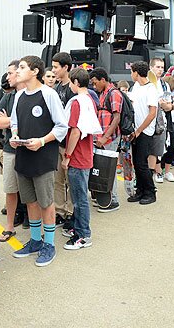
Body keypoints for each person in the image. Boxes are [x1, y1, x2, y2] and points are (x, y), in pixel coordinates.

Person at [11, 55, 68, 267]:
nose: (17, 71)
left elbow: (62, 126)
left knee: (46, 202)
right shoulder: (19, 96)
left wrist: (42, 141)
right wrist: (15, 136)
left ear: (35, 71)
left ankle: (49, 244)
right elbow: (15, 123)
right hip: (23, 155)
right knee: (30, 201)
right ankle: (35, 240)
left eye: (22, 67)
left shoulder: (48, 94)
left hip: (43, 156)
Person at [61, 68, 101, 249]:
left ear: (76, 83)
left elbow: (76, 131)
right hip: (85, 154)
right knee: (80, 196)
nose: (70, 86)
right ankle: (78, 228)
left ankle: (83, 235)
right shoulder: (90, 100)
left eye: (71, 82)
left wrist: (67, 156)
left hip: (77, 156)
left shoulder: (77, 102)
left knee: (79, 198)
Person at [0, 61, 24, 241]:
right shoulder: (8, 97)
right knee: (11, 190)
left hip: (30, 150)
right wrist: (17, 120)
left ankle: (38, 230)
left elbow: (34, 123)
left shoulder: (37, 95)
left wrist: (10, 120)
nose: (7, 77)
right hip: (9, 150)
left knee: (33, 193)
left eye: (10, 73)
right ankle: (10, 226)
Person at [89, 67, 122, 212]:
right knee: (101, 169)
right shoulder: (103, 93)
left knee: (109, 169)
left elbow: (117, 118)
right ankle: (104, 197)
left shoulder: (113, 94)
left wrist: (105, 137)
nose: (94, 86)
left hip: (110, 138)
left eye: (95, 83)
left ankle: (113, 200)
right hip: (102, 138)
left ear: (103, 80)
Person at [127, 61, 158, 205]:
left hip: (145, 131)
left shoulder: (151, 88)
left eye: (132, 72)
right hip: (135, 130)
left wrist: (140, 130)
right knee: (136, 162)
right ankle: (140, 190)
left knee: (141, 163)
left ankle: (150, 192)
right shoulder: (136, 87)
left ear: (137, 73)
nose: (131, 74)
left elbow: (152, 113)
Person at [51, 52, 76, 226]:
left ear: (66, 67)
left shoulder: (73, 90)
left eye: (56, 67)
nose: (53, 71)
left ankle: (71, 212)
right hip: (56, 143)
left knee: (71, 181)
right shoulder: (56, 89)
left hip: (69, 144)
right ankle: (59, 211)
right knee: (57, 180)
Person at [149, 58, 173, 184]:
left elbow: (169, 106)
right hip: (147, 120)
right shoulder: (145, 83)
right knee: (146, 150)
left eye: (162, 67)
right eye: (157, 67)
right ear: (151, 67)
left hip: (160, 122)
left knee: (159, 149)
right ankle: (151, 173)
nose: (160, 70)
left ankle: (157, 172)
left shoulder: (165, 85)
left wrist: (163, 105)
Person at [159, 76, 174, 182]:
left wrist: (169, 106)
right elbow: (165, 106)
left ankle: (167, 171)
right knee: (159, 148)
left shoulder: (166, 90)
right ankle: (158, 172)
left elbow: (168, 106)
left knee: (171, 146)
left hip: (169, 123)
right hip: (159, 123)